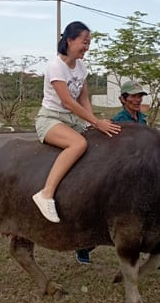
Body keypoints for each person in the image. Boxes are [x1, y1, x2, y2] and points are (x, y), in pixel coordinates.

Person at [75, 80, 160, 272]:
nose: (137, 100)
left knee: (158, 215)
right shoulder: (119, 122)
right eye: (133, 96)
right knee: (109, 223)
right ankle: (84, 248)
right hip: (124, 181)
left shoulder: (141, 120)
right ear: (122, 99)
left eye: (140, 96)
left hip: (144, 178)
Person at [33, 21, 121, 223]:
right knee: (78, 144)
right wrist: (97, 122)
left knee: (98, 139)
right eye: (84, 42)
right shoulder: (56, 67)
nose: (87, 47)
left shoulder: (82, 66)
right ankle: (46, 193)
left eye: (89, 43)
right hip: (51, 118)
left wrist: (93, 123)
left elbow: (83, 99)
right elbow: (67, 102)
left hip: (73, 120)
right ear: (70, 40)